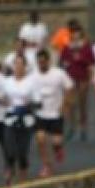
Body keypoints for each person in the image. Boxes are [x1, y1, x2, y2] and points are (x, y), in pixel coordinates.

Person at [32, 49, 73, 177]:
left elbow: (69, 87)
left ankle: (58, 148)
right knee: (40, 139)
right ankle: (46, 165)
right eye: (39, 62)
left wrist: (65, 105)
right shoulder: (33, 76)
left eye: (43, 62)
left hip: (55, 113)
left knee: (56, 142)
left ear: (48, 61)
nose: (41, 64)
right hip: (40, 114)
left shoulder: (58, 74)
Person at [2, 54, 38, 185]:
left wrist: (28, 105)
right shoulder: (6, 82)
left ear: (25, 66)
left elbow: (37, 101)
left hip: (26, 119)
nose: (18, 66)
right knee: (10, 149)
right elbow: (3, 98)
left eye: (20, 64)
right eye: (15, 64)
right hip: (10, 118)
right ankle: (9, 174)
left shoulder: (31, 82)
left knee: (22, 152)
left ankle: (22, 181)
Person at [60, 26, 95, 141]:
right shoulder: (67, 47)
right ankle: (72, 126)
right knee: (71, 104)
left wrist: (81, 59)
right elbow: (62, 60)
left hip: (83, 77)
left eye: (77, 33)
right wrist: (66, 63)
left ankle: (83, 128)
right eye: (73, 33)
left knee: (82, 103)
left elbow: (92, 61)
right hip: (70, 78)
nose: (75, 35)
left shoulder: (86, 47)